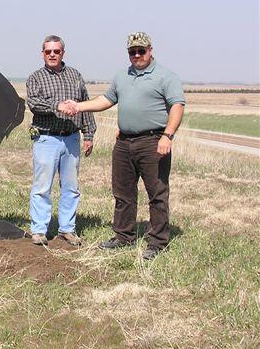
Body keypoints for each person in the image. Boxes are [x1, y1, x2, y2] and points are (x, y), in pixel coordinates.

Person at [60, 32, 185, 260]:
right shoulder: (122, 76)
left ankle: (157, 242)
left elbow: (177, 106)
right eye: (132, 51)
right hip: (124, 143)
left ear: (150, 50)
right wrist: (78, 106)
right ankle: (123, 235)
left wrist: (168, 136)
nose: (137, 55)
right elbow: (105, 101)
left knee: (157, 193)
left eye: (141, 50)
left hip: (153, 142)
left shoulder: (166, 77)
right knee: (122, 192)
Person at [26, 35, 96, 247]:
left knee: (71, 187)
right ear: (42, 54)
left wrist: (89, 134)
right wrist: (57, 106)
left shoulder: (75, 76)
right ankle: (38, 230)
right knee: (42, 187)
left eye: (56, 51)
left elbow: (85, 105)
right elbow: (34, 103)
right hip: (46, 138)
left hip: (71, 139)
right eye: (48, 51)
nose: (52, 55)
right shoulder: (36, 77)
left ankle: (67, 229)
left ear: (63, 52)